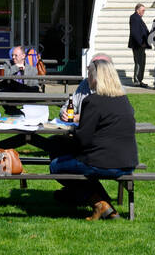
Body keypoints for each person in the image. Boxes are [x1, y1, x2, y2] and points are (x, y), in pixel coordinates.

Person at [49, 57, 139, 220]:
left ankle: (99, 203)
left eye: (89, 73)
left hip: (104, 162)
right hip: (128, 162)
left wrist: (71, 134)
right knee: (68, 157)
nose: (87, 77)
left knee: (56, 165)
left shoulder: (93, 101)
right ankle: (102, 205)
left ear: (97, 77)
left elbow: (83, 140)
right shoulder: (123, 100)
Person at [128, 2, 149, 86]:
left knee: (142, 62)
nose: (144, 12)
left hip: (141, 44)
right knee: (139, 62)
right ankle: (137, 80)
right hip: (138, 45)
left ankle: (139, 80)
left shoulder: (138, 18)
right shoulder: (134, 17)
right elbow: (135, 32)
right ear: (137, 10)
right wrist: (141, 43)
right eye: (142, 10)